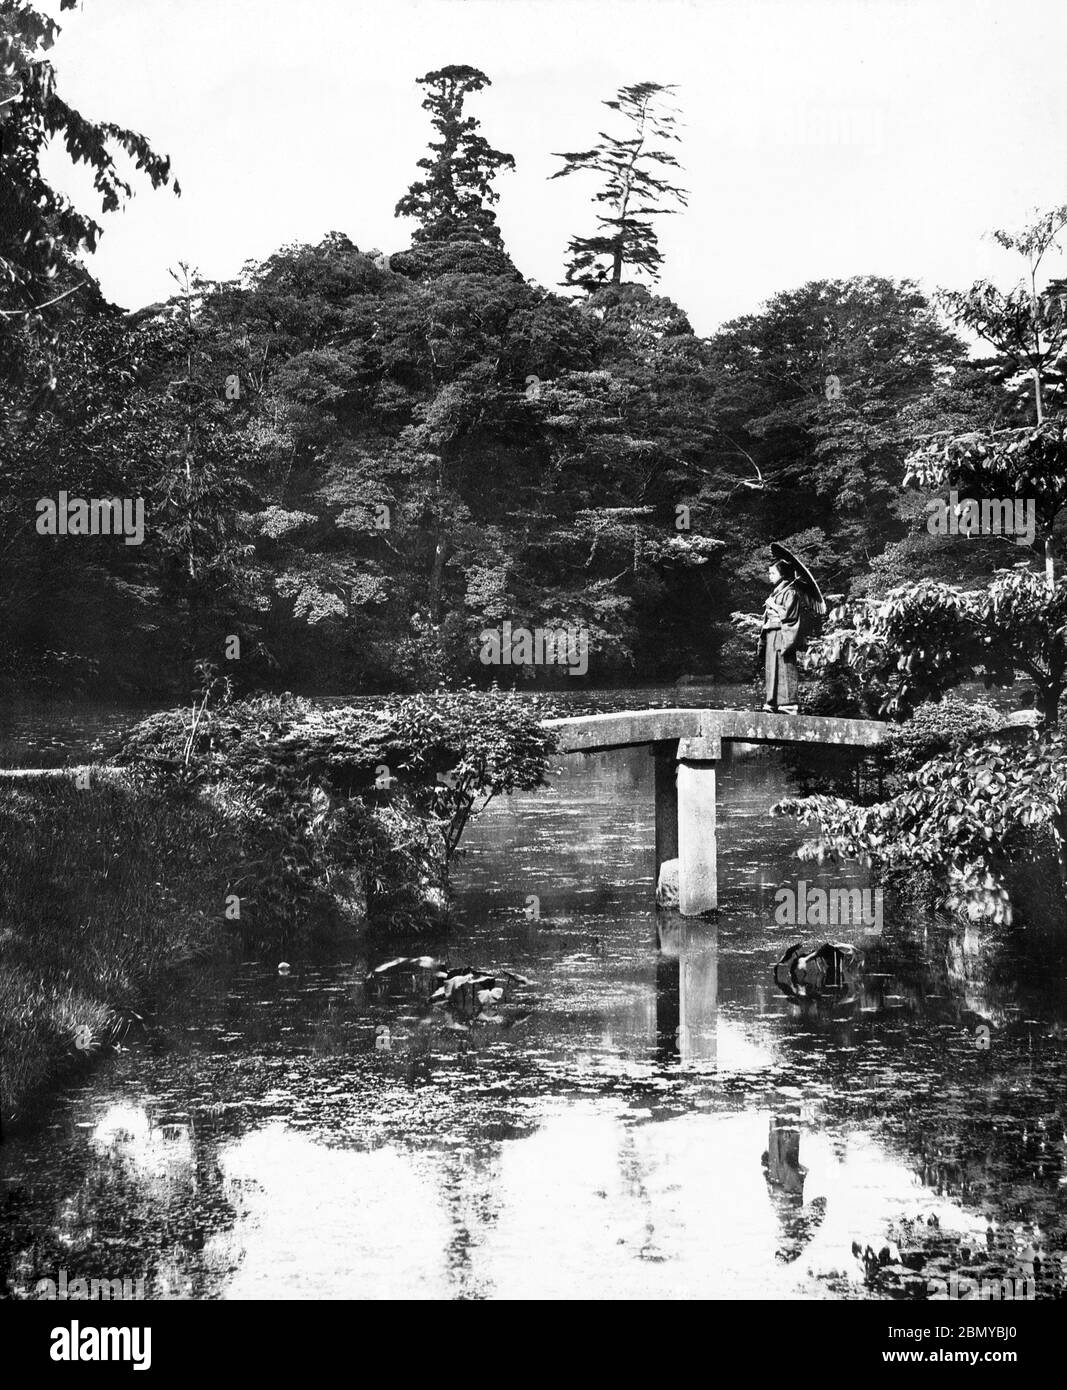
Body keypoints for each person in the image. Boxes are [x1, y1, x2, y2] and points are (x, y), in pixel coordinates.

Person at [759, 560, 801, 714]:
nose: (769, 576)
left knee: (784, 665)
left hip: (783, 634)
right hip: (772, 633)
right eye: (769, 573)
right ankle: (773, 701)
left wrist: (774, 607)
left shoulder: (791, 592)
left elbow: (790, 617)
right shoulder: (777, 592)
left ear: (782, 574)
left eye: (773, 573)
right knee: (772, 667)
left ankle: (788, 703)